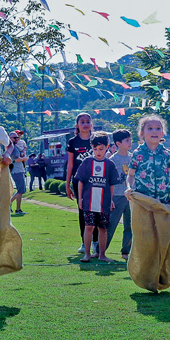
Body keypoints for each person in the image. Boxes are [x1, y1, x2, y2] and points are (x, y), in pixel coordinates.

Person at [76, 132, 120, 264]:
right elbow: (80, 181)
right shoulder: (87, 162)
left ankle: (102, 254)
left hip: (104, 203)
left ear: (107, 147)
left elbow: (112, 184)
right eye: (95, 149)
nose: (98, 152)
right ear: (91, 147)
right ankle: (87, 254)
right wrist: (80, 199)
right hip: (89, 202)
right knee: (89, 227)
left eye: (101, 149)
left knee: (103, 229)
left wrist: (111, 199)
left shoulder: (110, 164)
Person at [66, 113, 98, 256]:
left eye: (88, 121)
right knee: (82, 211)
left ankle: (96, 242)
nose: (85, 124)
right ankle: (85, 243)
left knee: (97, 211)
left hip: (97, 181)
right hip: (79, 181)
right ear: (77, 125)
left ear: (91, 124)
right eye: (82, 121)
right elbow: (70, 164)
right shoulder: (73, 142)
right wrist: (67, 184)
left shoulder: (97, 139)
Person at [106, 130, 134, 261]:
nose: (130, 143)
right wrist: (109, 198)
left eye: (130, 140)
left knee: (130, 225)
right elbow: (108, 181)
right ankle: (101, 249)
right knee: (111, 224)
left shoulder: (133, 157)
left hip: (131, 196)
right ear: (118, 143)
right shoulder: (112, 160)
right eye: (127, 140)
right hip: (116, 196)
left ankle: (126, 251)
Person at [9, 130, 28, 215]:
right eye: (15, 137)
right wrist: (24, 159)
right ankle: (15, 207)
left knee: (21, 190)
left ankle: (17, 208)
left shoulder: (16, 147)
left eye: (18, 136)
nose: (17, 138)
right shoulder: (12, 148)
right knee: (21, 190)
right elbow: (17, 159)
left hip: (19, 170)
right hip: (17, 170)